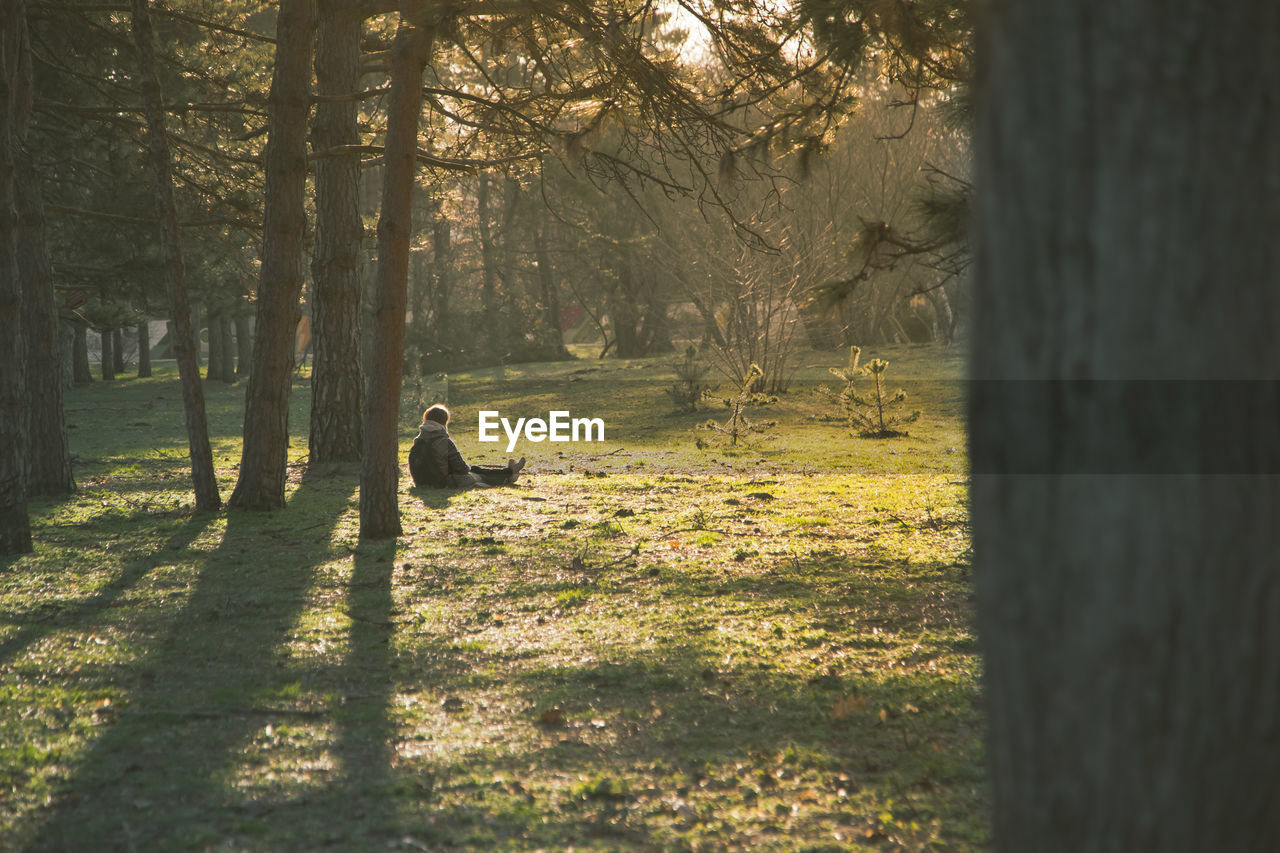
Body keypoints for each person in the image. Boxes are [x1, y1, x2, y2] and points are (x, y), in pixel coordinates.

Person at [409, 404, 525, 489]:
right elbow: (462, 469)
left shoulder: (418, 441)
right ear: (444, 422)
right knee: (476, 473)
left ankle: (510, 472)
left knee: (475, 470)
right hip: (444, 483)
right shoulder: (444, 441)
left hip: (422, 483)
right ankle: (510, 474)